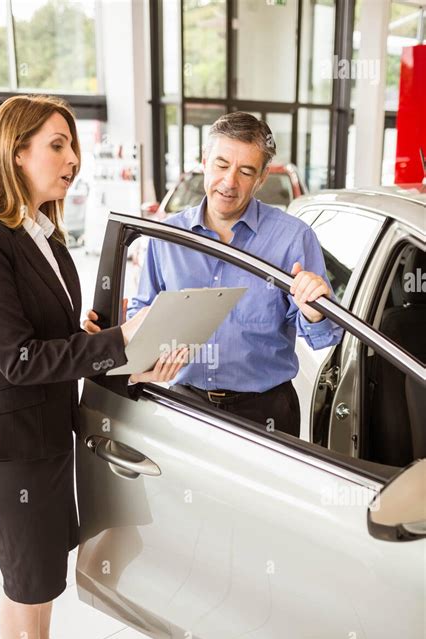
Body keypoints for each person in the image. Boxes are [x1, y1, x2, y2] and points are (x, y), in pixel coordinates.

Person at [0, 94, 187, 639]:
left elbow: (51, 338)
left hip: (49, 436)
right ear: (16, 151)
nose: (73, 158)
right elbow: (16, 358)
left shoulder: (47, 234)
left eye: (72, 145)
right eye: (58, 144)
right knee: (28, 584)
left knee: (42, 579)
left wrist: (105, 342)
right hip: (10, 449)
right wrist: (116, 343)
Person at [85, 112, 343, 436]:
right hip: (183, 406)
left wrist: (312, 311)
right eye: (222, 164)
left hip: (266, 414)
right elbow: (142, 310)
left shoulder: (293, 238)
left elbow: (324, 337)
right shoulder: (166, 235)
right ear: (205, 161)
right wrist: (148, 357)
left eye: (246, 171)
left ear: (261, 178)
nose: (229, 181)